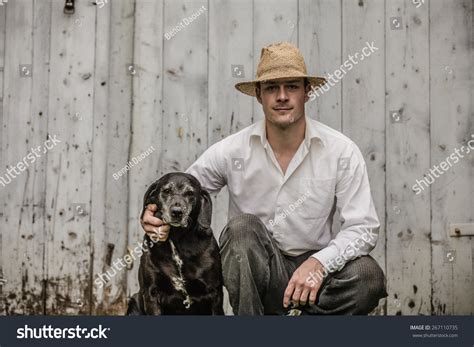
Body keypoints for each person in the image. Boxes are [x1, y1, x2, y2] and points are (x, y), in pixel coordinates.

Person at [141, 42, 387, 315]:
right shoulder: (232, 150)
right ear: (258, 95)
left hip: (317, 276)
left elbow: (363, 228)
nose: (282, 96)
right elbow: (182, 190)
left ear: (308, 91)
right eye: (272, 87)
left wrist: (319, 263)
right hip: (259, 276)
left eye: (292, 86)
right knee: (242, 229)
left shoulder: (341, 151)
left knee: (368, 276)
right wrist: (152, 215)